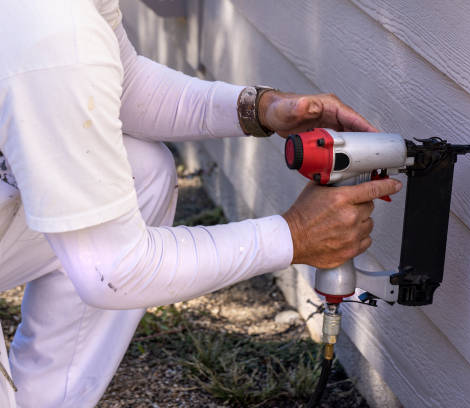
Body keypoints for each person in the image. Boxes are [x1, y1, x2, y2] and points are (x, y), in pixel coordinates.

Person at [0, 1, 402, 407]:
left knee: (139, 171)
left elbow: (126, 85)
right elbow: (115, 270)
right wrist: (295, 235)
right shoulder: (53, 37)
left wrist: (262, 109)